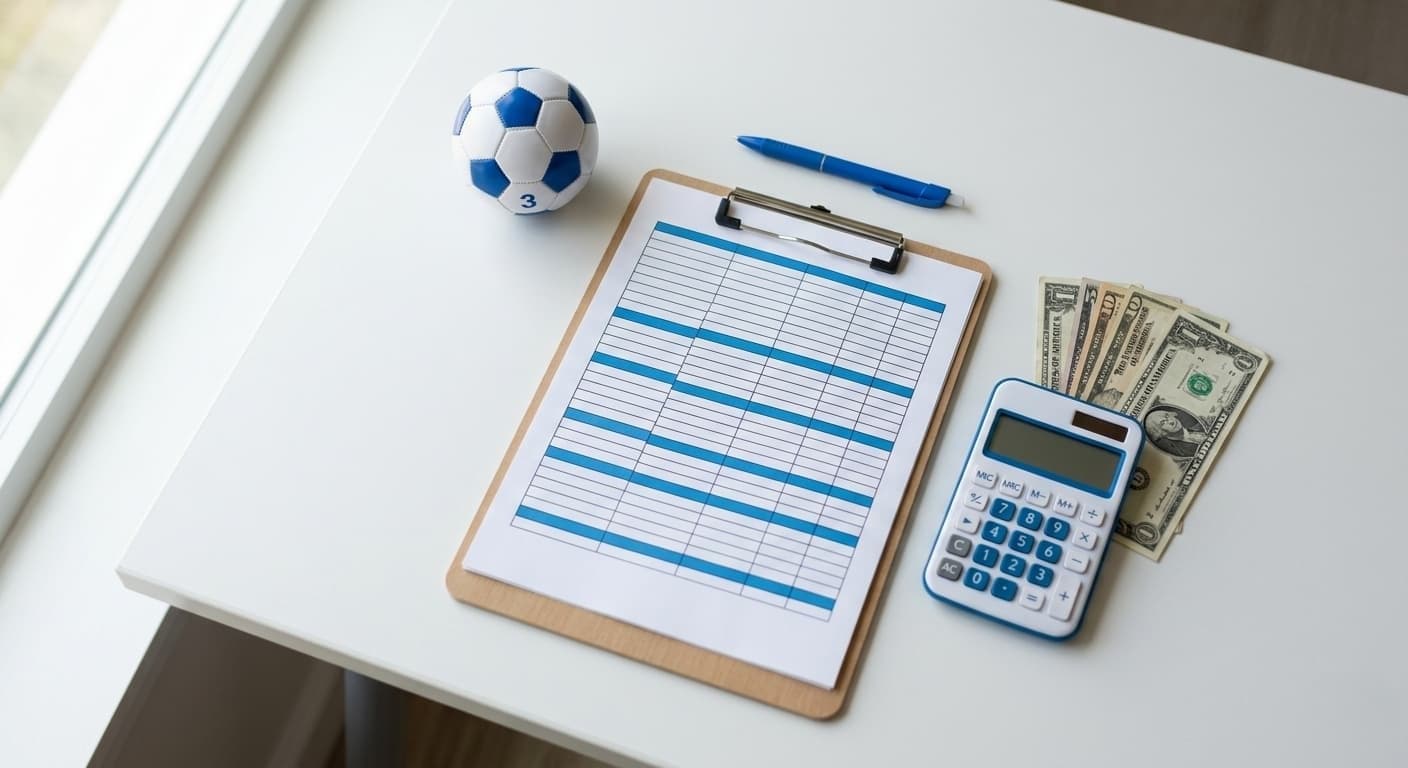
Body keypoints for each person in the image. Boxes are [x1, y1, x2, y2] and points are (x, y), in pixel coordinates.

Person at [1143, 405, 1208, 458]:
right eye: (1163, 423)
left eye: (1167, 416)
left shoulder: (1198, 426)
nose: (1171, 421)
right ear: (1160, 432)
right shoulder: (1180, 451)